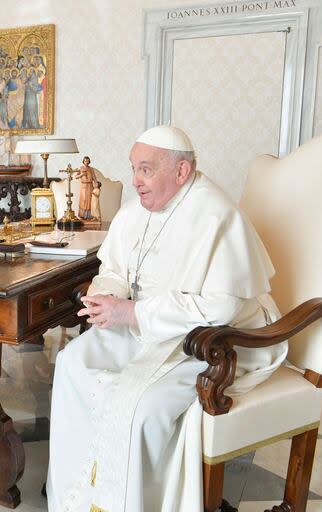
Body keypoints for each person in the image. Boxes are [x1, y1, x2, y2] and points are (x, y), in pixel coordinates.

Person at [46, 125, 286, 512]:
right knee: (73, 362)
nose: (135, 180)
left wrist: (133, 312)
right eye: (133, 168)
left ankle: (137, 502)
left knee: (143, 405)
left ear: (181, 172)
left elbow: (220, 308)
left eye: (145, 169)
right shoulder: (134, 213)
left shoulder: (216, 217)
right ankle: (79, 495)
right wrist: (105, 293)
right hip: (145, 327)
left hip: (206, 340)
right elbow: (115, 268)